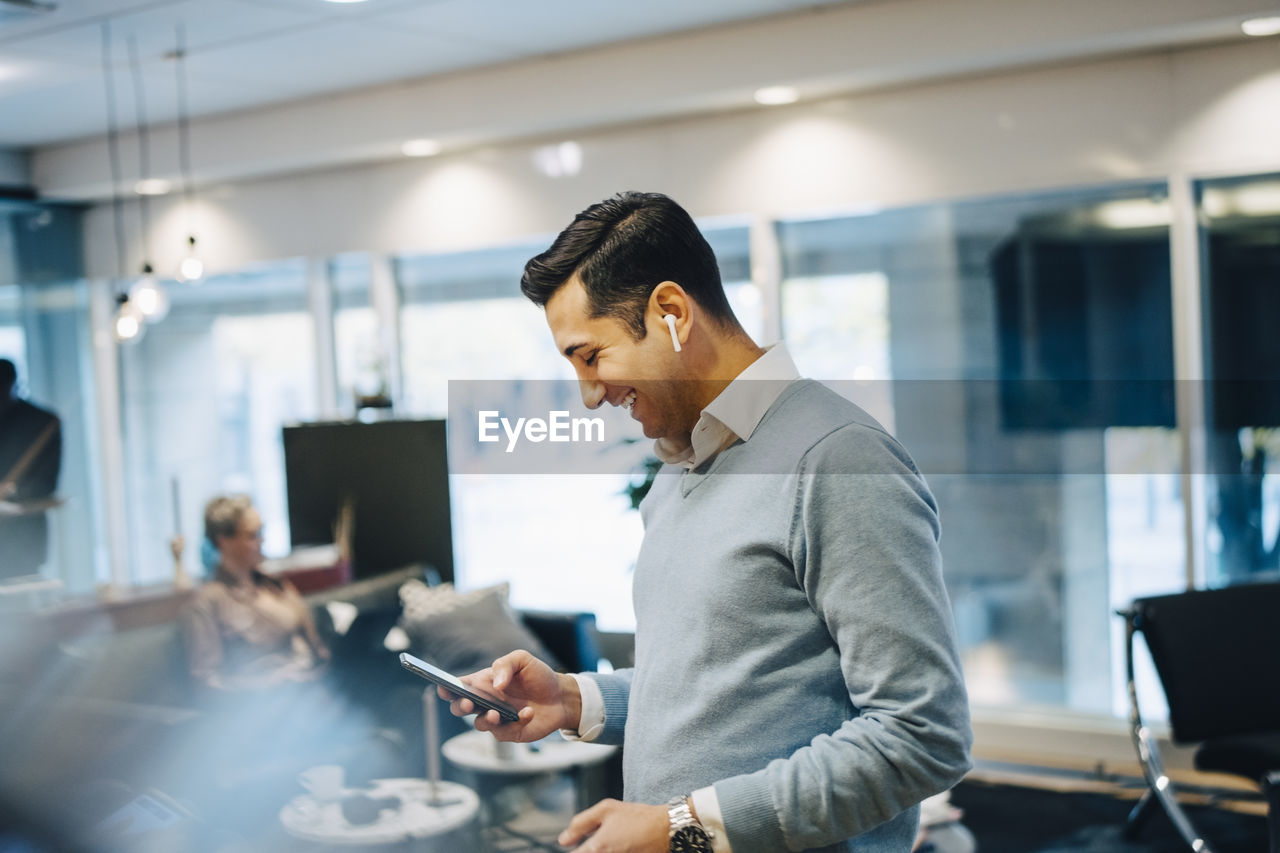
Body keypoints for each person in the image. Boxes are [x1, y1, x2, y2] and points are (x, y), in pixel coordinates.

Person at [444, 192, 972, 853]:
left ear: (670, 312)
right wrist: (571, 699)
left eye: (591, 355)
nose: (589, 393)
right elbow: (720, 687)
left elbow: (923, 735)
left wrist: (681, 828)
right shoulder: (680, 471)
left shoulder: (837, 457)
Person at [182, 494, 329, 691]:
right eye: (254, 534)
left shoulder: (276, 585)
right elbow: (205, 683)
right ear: (224, 541)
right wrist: (273, 683)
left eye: (262, 531)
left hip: (316, 688)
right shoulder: (207, 603)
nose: (263, 539)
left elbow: (316, 645)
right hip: (270, 704)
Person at [0, 358, 62, 581]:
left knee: (25, 601)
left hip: (23, 537)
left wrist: (11, 491)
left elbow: (46, 483)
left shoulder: (42, 422)